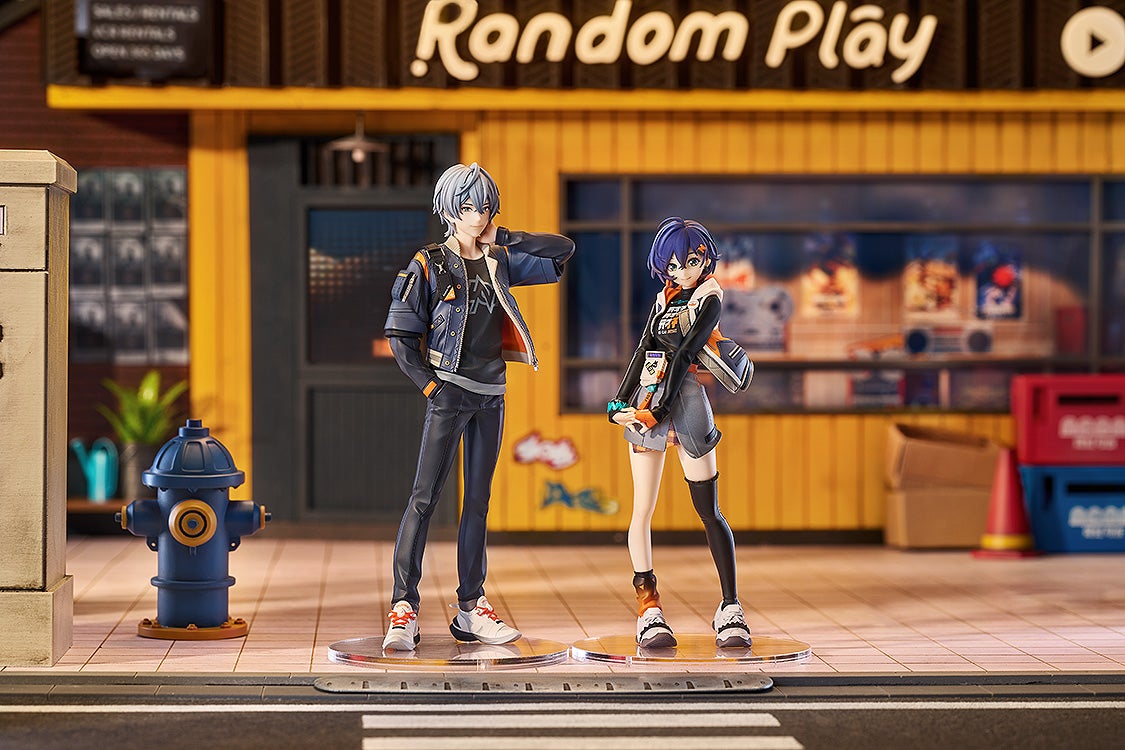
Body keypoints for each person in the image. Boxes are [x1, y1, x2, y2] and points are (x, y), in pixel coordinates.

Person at [381, 163, 574, 651]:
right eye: (468, 206)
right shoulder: (428, 263)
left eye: (485, 206)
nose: (478, 215)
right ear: (449, 209)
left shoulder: (499, 261)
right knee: (424, 498)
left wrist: (503, 236)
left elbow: (562, 249)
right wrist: (432, 388)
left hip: (492, 396)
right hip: (449, 392)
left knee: (478, 502)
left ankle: (471, 606)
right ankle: (403, 608)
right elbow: (400, 335)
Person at [607, 216, 752, 649]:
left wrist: (660, 410)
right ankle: (648, 606)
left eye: (690, 262)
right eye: (673, 265)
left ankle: (730, 606)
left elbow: (687, 352)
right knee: (642, 509)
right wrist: (619, 402)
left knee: (709, 509)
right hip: (649, 395)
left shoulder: (710, 297)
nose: (682, 271)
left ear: (705, 258)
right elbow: (643, 350)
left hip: (684, 399)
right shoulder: (663, 299)